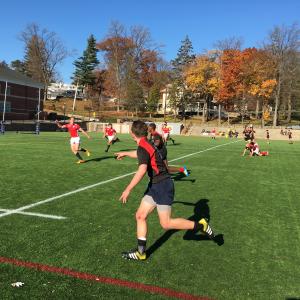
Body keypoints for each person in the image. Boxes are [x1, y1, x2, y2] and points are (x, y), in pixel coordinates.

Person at [115, 120, 215, 261]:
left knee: (166, 223)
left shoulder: (143, 146)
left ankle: (201, 225)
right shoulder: (146, 143)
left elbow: (142, 169)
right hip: (155, 186)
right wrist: (125, 153)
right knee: (140, 216)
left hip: (162, 186)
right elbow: (140, 154)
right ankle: (141, 252)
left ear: (132, 133)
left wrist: (128, 189)